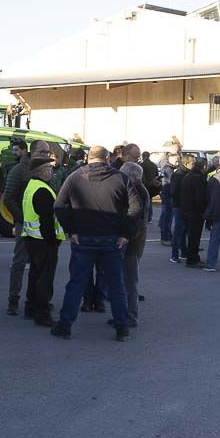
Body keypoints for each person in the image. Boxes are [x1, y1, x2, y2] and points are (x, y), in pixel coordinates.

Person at [51, 145, 136, 341]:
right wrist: (125, 233)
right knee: (116, 285)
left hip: (83, 238)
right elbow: (135, 208)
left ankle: (65, 326)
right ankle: (121, 328)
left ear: (89, 158)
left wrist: (71, 230)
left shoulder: (74, 177)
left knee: (76, 283)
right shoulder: (120, 178)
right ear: (107, 158)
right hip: (112, 240)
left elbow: (59, 205)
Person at [4, 140, 52, 316]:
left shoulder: (48, 170)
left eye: (47, 152)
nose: (45, 155)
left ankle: (38, 300)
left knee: (41, 265)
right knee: (19, 262)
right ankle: (13, 299)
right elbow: (8, 197)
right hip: (25, 225)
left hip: (43, 226)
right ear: (32, 152)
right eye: (42, 152)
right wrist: (22, 219)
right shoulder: (19, 170)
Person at [21, 156, 64, 327]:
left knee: (35, 275)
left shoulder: (31, 186)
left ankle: (31, 308)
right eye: (49, 168)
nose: (52, 171)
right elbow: (47, 221)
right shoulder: (43, 190)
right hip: (43, 241)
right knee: (44, 279)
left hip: (32, 239)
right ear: (41, 171)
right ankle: (42, 314)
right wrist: (53, 241)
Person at [118, 159, 150, 328]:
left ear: (133, 176)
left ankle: (130, 316)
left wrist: (126, 237)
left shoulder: (136, 190)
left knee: (129, 281)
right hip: (134, 241)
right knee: (127, 280)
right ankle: (126, 314)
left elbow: (137, 220)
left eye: (123, 174)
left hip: (132, 243)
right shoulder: (139, 189)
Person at [177, 155, 207, 266]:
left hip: (186, 209)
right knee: (194, 236)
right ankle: (193, 259)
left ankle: (191, 256)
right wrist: (203, 210)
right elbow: (200, 197)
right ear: (204, 166)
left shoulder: (187, 176)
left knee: (190, 235)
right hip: (195, 212)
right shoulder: (198, 178)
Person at [157, 151, 179, 244]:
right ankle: (165, 237)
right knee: (167, 217)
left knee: (167, 217)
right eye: (177, 160)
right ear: (171, 159)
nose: (178, 162)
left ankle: (167, 236)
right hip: (168, 196)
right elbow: (171, 184)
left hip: (167, 195)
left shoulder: (168, 168)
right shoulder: (169, 169)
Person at [168, 157, 187, 263]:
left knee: (184, 229)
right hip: (179, 205)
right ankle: (174, 254)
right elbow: (174, 191)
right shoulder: (178, 174)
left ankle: (183, 251)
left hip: (183, 205)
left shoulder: (184, 173)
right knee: (179, 229)